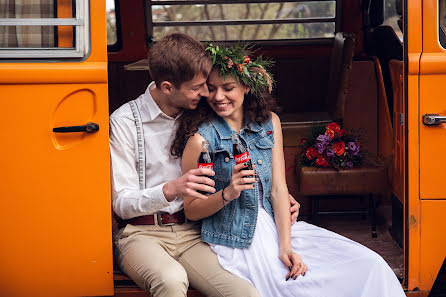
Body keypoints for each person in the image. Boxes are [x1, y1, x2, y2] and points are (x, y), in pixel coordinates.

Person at [173, 43, 407, 297]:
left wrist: (285, 247)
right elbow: (192, 210)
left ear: (246, 87)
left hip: (278, 228)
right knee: (299, 287)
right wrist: (227, 193)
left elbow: (277, 189)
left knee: (369, 265)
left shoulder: (269, 123)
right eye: (212, 89)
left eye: (228, 88)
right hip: (236, 240)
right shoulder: (200, 141)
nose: (218, 97)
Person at [109, 33, 299, 297]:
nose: (208, 93)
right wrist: (170, 189)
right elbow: (121, 202)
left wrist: (271, 194)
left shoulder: (203, 110)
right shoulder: (124, 122)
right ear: (167, 88)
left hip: (193, 231)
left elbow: (244, 148)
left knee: (246, 293)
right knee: (171, 280)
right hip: (141, 234)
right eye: (198, 87)